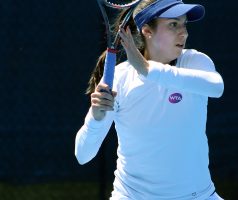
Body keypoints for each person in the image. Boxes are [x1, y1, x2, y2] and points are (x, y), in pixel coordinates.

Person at [75, 0, 224, 199]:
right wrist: (96, 117)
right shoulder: (119, 78)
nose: (184, 33)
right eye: (173, 24)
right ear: (147, 30)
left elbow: (215, 87)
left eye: (184, 24)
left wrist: (147, 70)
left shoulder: (194, 62)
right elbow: (83, 155)